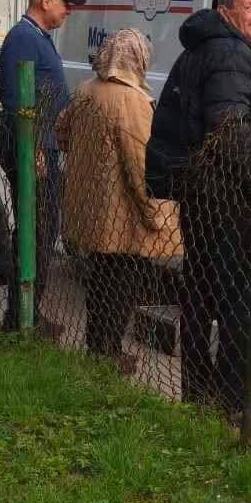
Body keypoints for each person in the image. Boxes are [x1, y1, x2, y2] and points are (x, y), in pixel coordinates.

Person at [145, 0, 251, 424]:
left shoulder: (204, 47)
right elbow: (230, 128)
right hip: (226, 195)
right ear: (226, 10)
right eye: (249, 6)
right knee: (240, 299)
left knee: (200, 293)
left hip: (200, 192)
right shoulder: (230, 54)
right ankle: (236, 404)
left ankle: (199, 396)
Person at [55, 28, 182, 372]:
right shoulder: (133, 101)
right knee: (122, 286)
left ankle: (97, 347)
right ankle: (108, 353)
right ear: (138, 58)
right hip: (123, 213)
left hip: (91, 205)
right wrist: (153, 213)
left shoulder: (85, 90)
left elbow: (61, 133)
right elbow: (141, 164)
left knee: (98, 281)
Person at [0, 0, 83, 333]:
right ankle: (22, 317)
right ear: (45, 1)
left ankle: (27, 312)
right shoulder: (23, 39)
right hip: (31, 148)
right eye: (66, 4)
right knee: (37, 231)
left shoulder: (38, 36)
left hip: (42, 146)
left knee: (43, 230)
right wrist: (31, 150)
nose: (69, 12)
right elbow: (18, 99)